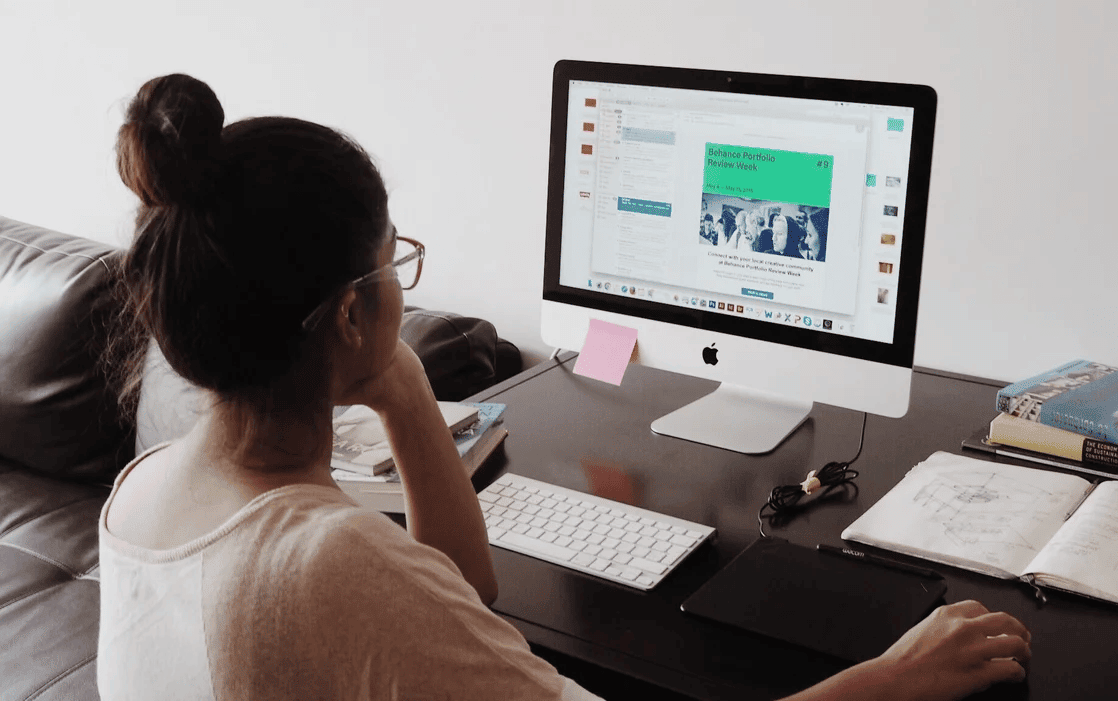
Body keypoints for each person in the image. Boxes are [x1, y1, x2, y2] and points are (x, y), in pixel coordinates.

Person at [97, 73, 1030, 701]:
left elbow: (458, 594)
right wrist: (892, 677)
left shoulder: (145, 490)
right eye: (395, 264)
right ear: (348, 313)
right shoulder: (332, 565)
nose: (402, 282)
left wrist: (404, 386)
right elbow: (416, 602)